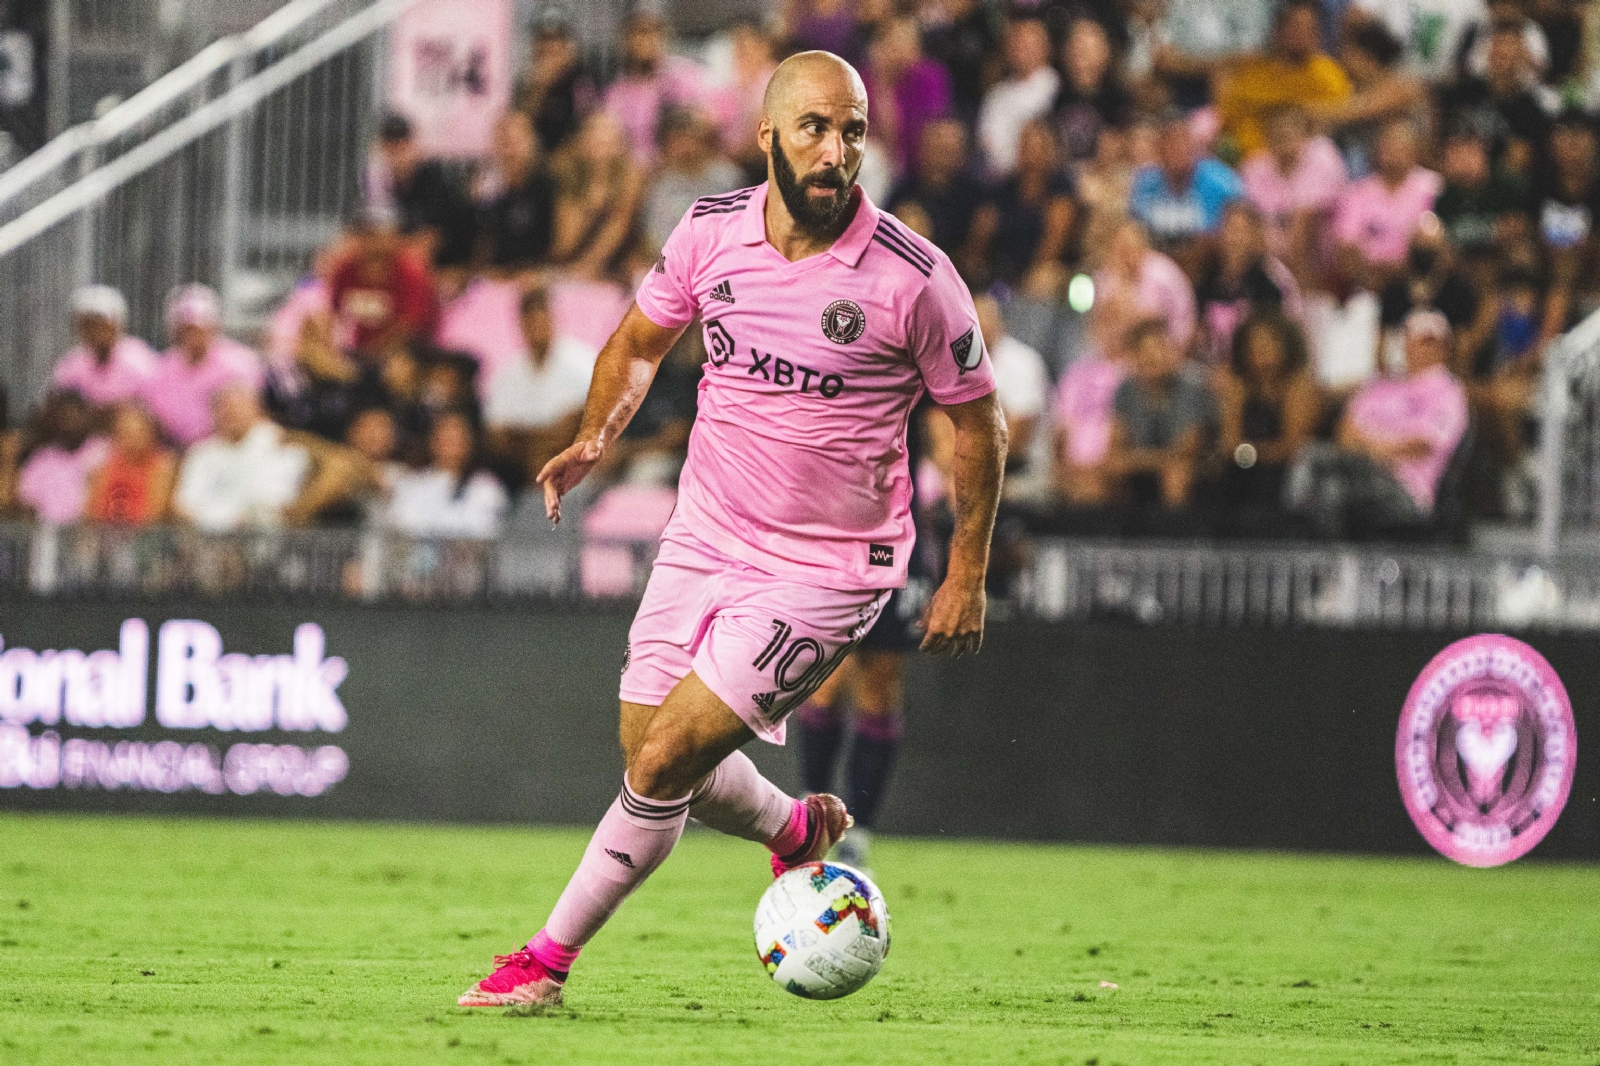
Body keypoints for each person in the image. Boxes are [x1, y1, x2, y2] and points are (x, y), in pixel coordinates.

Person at [460, 50, 1005, 1008]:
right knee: (647, 748)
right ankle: (795, 832)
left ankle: (541, 965)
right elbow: (637, 341)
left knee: (667, 758)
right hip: (706, 531)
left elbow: (979, 421)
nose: (836, 150)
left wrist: (966, 571)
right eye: (815, 129)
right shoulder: (711, 231)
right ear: (768, 139)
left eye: (853, 132)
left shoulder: (915, 278)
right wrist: (595, 437)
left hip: (830, 568)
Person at [1286, 308, 1468, 538]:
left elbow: (1423, 444)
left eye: (1433, 342)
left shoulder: (1448, 391)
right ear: (1405, 341)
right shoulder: (1379, 385)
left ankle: (1311, 550)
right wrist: (1376, 448)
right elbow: (1345, 434)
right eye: (1419, 340)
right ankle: (1307, 550)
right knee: (1312, 463)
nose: (1426, 348)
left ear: (1445, 347)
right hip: (1359, 469)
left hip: (1406, 488)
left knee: (1327, 480)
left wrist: (1370, 447)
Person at [1212, 313, 1320, 535]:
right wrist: (1246, 454)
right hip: (1243, 467)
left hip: (1287, 471)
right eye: (1255, 342)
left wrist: (1249, 453)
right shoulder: (1238, 385)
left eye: (1268, 341)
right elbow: (1229, 443)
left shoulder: (1298, 385)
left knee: (1269, 481)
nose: (1261, 348)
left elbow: (1294, 447)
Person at [483, 286, 598, 484]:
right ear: (521, 325)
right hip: (518, 471)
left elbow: (578, 426)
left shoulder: (583, 363)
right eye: (529, 323)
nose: (536, 329)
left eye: (541, 320)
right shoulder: (506, 375)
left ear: (552, 319)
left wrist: (527, 436)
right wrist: (543, 438)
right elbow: (498, 435)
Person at [1104, 317, 1215, 518]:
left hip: (1199, 470)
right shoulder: (1125, 390)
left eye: (1159, 349)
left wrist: (1134, 460)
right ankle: (1119, 539)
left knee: (1176, 475)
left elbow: (1187, 451)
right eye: (1144, 351)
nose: (1152, 358)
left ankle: (1176, 538)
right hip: (1147, 464)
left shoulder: (1193, 386)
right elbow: (1115, 446)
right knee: (1107, 473)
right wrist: (1129, 461)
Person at [1215, 0, 1352, 159]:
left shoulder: (1328, 73)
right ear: (1278, 30)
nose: (1303, 35)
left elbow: (1336, 115)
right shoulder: (1254, 70)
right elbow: (1229, 117)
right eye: (1296, 27)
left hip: (1301, 164)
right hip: (1248, 160)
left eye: (1310, 29)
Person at [143, 284, 265, 447]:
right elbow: (156, 422)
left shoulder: (241, 362)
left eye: (199, 328)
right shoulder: (161, 369)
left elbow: (252, 416)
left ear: (213, 327)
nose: (192, 335)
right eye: (186, 329)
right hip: (177, 450)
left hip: (230, 445)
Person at [965, 119, 1076, 296]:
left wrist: (1026, 280)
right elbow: (980, 237)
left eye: (1037, 146)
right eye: (1026, 144)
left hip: (1043, 271)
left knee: (1044, 279)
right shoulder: (1003, 188)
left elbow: (1054, 241)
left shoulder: (1060, 188)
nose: (1030, 152)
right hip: (1002, 270)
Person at [1240, 104, 1347, 280]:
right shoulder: (1254, 167)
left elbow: (1303, 223)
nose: (1284, 140)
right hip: (1268, 255)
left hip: (1322, 258)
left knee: (1307, 222)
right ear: (1267, 138)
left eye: (1290, 133)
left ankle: (1303, 294)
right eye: (1278, 135)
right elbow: (1251, 220)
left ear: (1305, 135)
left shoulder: (1322, 155)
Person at [1331, 119, 1442, 287]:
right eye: (1387, 147)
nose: (1392, 154)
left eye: (1399, 148)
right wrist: (1368, 277)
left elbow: (1437, 239)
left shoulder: (1433, 187)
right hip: (1369, 281)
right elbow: (1346, 244)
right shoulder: (1357, 193)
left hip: (1418, 280)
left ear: (1415, 152)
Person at [1127, 110, 1244, 269]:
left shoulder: (1223, 183)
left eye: (1183, 140)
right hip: (1156, 271)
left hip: (1212, 271)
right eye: (1170, 142)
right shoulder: (1144, 185)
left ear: (1194, 144)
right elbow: (1136, 236)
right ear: (1158, 148)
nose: (1177, 149)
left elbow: (1241, 234)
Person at [1193, 201, 1301, 366]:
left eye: (1242, 231)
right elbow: (1198, 330)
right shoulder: (1208, 278)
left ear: (1256, 235)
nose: (1234, 238)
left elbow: (1281, 334)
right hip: (1212, 365)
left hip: (1259, 365)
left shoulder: (1273, 280)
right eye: (1229, 229)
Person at [365, 113, 475, 269]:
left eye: (402, 142)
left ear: (413, 143)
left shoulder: (434, 178)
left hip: (449, 269)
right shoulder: (382, 183)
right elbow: (367, 235)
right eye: (390, 143)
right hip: (411, 267)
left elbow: (427, 244)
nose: (396, 149)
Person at [327, 207, 437, 360]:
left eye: (383, 235)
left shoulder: (409, 272)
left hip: (402, 354)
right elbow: (335, 313)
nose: (377, 242)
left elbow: (409, 327)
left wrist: (371, 355)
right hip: (352, 352)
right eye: (370, 234)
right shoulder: (346, 269)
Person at [386, 410, 509, 539]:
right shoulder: (410, 483)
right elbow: (400, 526)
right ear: (432, 440)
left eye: (457, 437)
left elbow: (485, 529)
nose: (449, 442)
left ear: (470, 442)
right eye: (444, 435)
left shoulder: (487, 486)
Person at [643, 108, 744, 256]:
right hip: (672, 262)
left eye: (691, 139)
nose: (686, 148)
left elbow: (739, 228)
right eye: (678, 141)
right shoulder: (659, 186)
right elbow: (654, 237)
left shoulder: (728, 178)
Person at [863, 16, 952, 180]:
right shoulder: (866, 80)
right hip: (880, 160)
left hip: (916, 161)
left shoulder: (928, 77)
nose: (900, 50)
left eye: (906, 42)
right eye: (893, 43)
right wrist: (882, 82)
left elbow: (927, 129)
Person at [885, 117, 985, 257]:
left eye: (949, 148)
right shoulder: (903, 193)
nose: (942, 153)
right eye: (937, 145)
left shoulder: (977, 199)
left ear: (964, 152)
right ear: (922, 147)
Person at [473, 110, 556, 273]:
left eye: (516, 141)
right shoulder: (488, 189)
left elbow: (555, 246)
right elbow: (485, 241)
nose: (510, 150)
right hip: (497, 275)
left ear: (530, 142)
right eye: (504, 142)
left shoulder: (546, 184)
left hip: (537, 274)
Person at [51, 285, 157, 409]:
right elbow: (60, 403)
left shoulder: (139, 358)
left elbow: (154, 406)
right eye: (88, 326)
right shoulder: (72, 363)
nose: (95, 332)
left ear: (117, 324)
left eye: (101, 325)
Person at [977, 18, 1059, 177]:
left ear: (1046, 47)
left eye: (1030, 43)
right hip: (1003, 180)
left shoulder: (1057, 87)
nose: (1022, 49)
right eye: (1018, 43)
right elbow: (987, 141)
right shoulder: (996, 94)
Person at [14, 391, 107, 525]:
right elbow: (27, 499)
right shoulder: (44, 457)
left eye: (75, 417)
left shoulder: (101, 450)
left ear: (86, 417)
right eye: (65, 418)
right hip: (46, 529)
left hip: (88, 529)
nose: (70, 423)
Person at [1052, 17, 1134, 166]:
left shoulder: (1117, 98)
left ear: (1105, 52)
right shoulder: (1055, 95)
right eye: (1076, 45)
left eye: (1087, 47)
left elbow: (1120, 147)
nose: (1080, 53)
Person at [514, 10, 596, 156]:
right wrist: (538, 89)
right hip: (534, 164)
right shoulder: (526, 83)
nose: (548, 47)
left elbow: (589, 128)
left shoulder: (580, 81)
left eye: (555, 40)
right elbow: (519, 129)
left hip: (570, 163)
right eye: (543, 40)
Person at [84, 403, 177, 526]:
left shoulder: (163, 465)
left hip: (143, 535)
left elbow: (154, 515)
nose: (132, 440)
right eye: (125, 433)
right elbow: (92, 511)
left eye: (138, 433)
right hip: (106, 532)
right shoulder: (106, 466)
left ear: (151, 434)